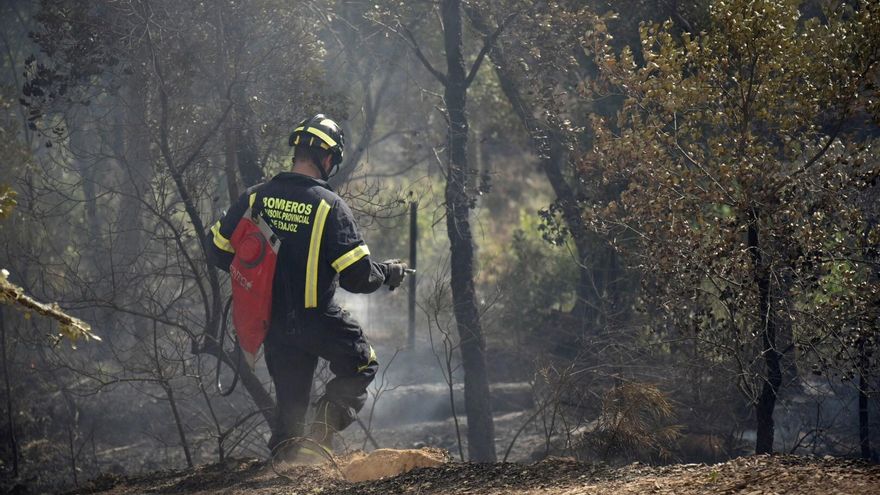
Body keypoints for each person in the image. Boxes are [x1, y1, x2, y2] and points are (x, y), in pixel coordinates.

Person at [207, 114, 408, 462]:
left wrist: (252, 276)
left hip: (274, 325)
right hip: (317, 319)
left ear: (298, 152)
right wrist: (387, 272)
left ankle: (284, 468)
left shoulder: (256, 198)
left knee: (290, 411)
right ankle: (321, 434)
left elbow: (217, 249)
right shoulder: (330, 206)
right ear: (327, 158)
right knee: (361, 364)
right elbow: (356, 277)